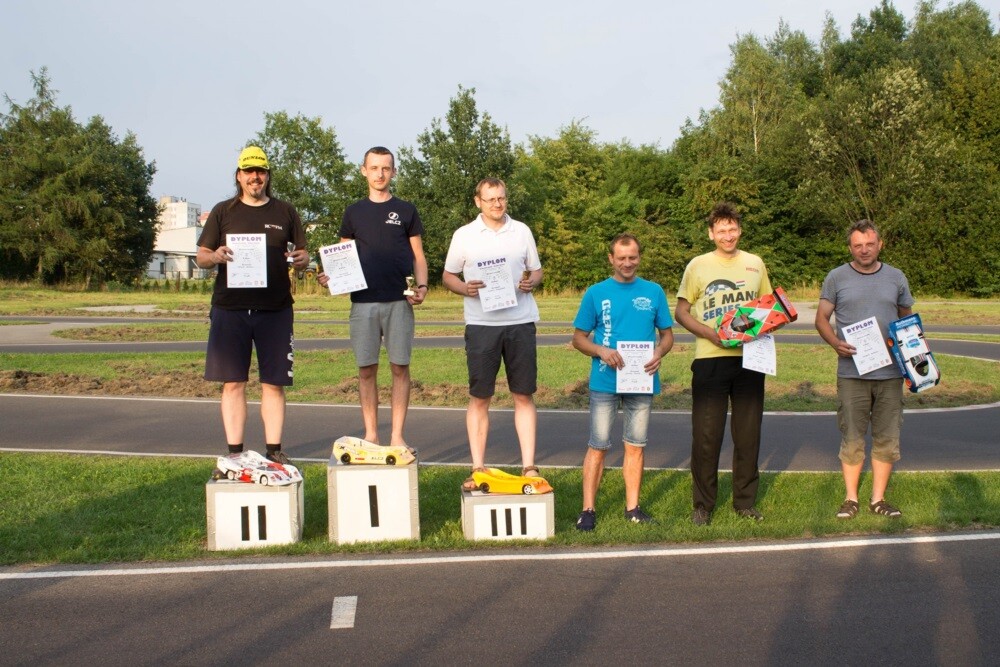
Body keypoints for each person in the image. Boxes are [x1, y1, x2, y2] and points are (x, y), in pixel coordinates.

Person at [195, 146, 309, 464]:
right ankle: (235, 453)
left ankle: (274, 452)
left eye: (260, 171)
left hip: (275, 309)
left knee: (273, 383)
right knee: (234, 382)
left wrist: (303, 260)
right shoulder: (222, 212)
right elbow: (201, 256)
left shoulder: (285, 211)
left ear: (267, 175)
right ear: (239, 176)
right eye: (249, 171)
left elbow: (303, 255)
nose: (255, 177)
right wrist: (215, 256)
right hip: (230, 308)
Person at [321, 146, 428, 448]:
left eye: (386, 168)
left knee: (400, 368)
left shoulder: (406, 210)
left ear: (393, 171)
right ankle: (371, 434)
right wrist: (331, 276)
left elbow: (418, 256)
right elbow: (341, 257)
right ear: (363, 171)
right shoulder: (353, 212)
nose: (380, 174)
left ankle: (396, 436)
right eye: (374, 168)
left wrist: (422, 287)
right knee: (366, 369)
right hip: (363, 303)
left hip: (400, 302)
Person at [442, 177, 543, 490]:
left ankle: (528, 466)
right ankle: (477, 467)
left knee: (523, 394)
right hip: (482, 324)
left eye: (501, 198)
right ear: (478, 202)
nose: (497, 204)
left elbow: (536, 269)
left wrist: (533, 282)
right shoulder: (464, 235)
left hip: (520, 320)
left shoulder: (522, 231)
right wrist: (464, 288)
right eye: (490, 199)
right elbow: (448, 275)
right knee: (480, 396)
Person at [675, 202, 772, 525]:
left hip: (749, 360)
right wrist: (709, 333)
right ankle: (702, 505)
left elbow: (768, 310)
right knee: (706, 436)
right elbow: (682, 312)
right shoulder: (697, 266)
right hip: (710, 360)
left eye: (732, 229)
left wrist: (771, 322)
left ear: (739, 230)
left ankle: (744, 502)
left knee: (748, 435)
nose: (727, 235)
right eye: (721, 230)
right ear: (711, 233)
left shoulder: (755, 264)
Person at [571, 233, 674, 530]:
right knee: (599, 444)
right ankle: (588, 509)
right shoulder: (595, 292)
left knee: (636, 445)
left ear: (640, 257)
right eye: (621, 258)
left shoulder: (654, 292)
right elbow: (578, 338)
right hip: (605, 380)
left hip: (641, 380)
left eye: (633, 257)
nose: (627, 263)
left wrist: (659, 353)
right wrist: (601, 350)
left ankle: (633, 508)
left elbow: (667, 336)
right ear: (611, 259)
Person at [815, 219, 914, 519]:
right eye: (858, 246)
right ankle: (851, 499)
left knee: (887, 436)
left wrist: (912, 364)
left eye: (869, 244)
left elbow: (908, 322)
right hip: (852, 373)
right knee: (853, 435)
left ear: (879, 244)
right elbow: (821, 319)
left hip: (890, 374)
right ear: (850, 248)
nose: (864, 250)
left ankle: (878, 500)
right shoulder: (836, 277)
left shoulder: (896, 277)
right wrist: (834, 342)